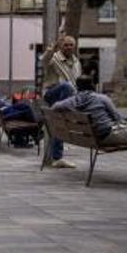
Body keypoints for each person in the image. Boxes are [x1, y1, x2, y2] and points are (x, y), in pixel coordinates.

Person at [42, 35, 82, 169]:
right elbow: (43, 61)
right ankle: (67, 113)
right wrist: (50, 50)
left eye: (71, 45)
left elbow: (77, 80)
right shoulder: (54, 58)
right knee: (67, 86)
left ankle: (58, 157)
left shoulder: (76, 62)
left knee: (59, 120)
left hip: (65, 98)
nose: (69, 47)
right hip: (52, 93)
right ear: (61, 46)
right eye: (66, 45)